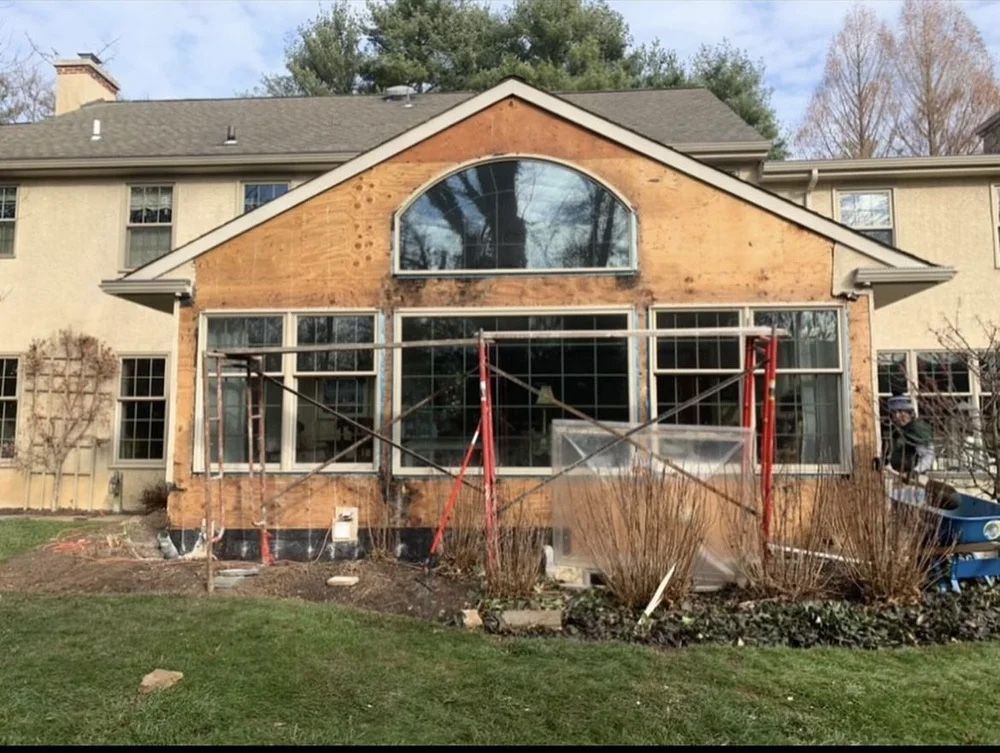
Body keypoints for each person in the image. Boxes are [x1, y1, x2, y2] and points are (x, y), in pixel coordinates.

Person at [884, 395, 935, 480]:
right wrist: (884, 462)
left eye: (901, 412)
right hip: (899, 477)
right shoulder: (898, 431)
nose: (897, 416)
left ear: (909, 413)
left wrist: (916, 471)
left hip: (915, 480)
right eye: (894, 413)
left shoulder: (918, 429)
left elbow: (928, 455)